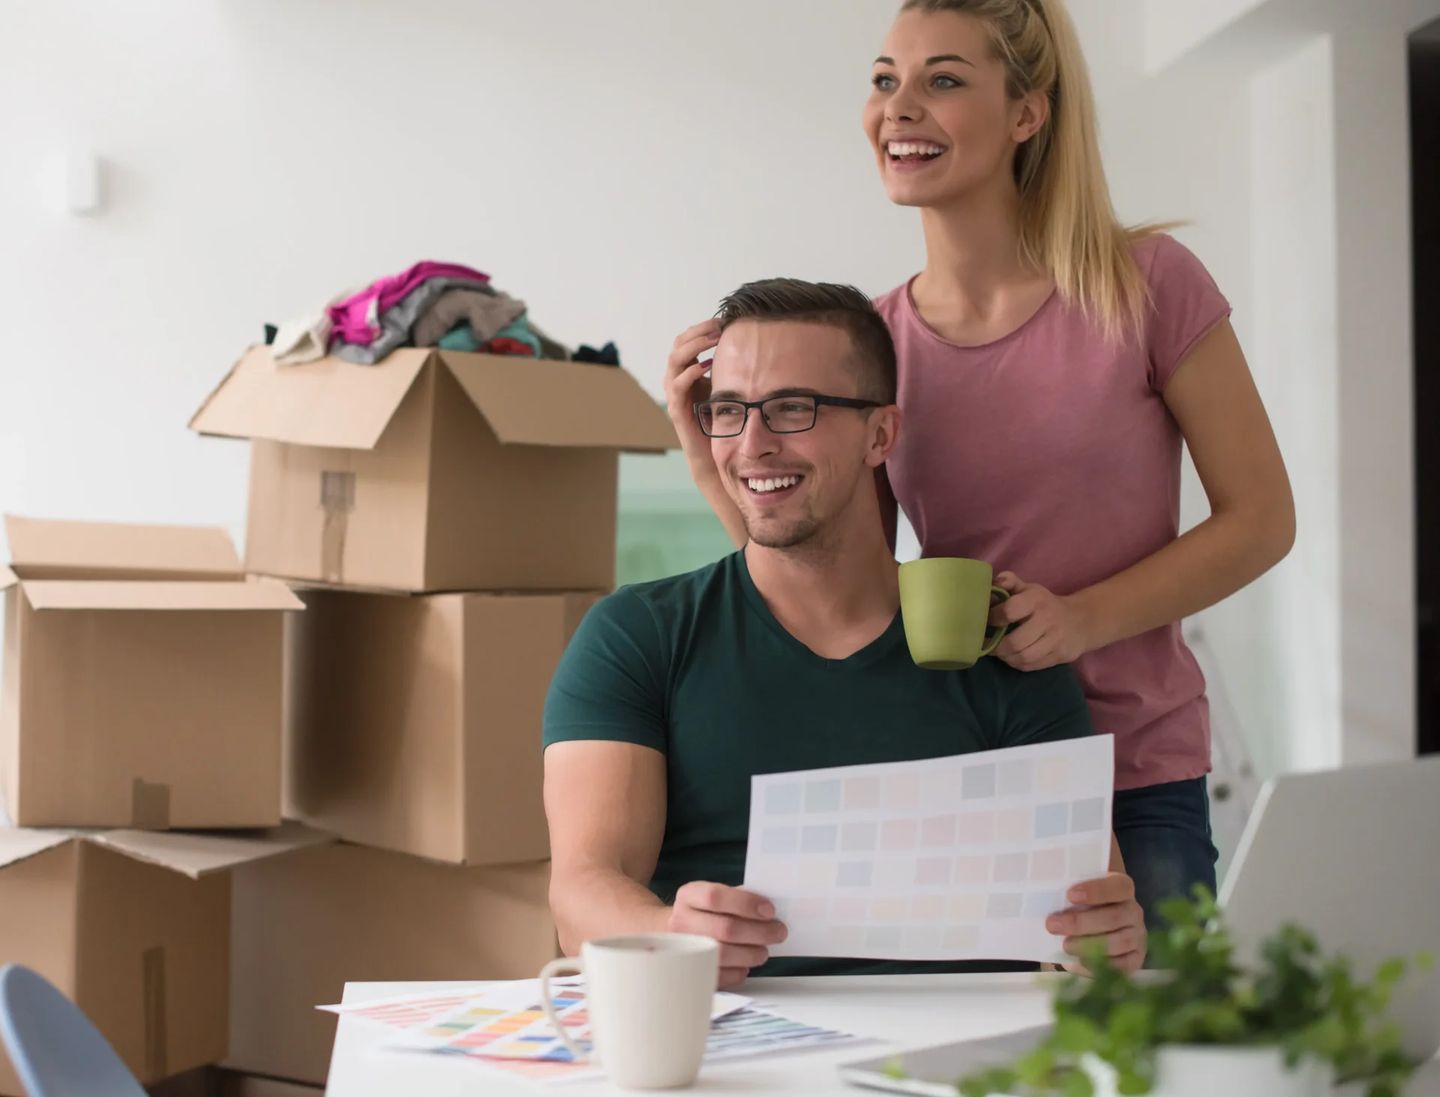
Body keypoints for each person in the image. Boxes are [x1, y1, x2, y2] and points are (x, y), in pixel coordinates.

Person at [664, 0, 1293, 924]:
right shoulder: (873, 344)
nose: (899, 107)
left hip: (1133, 765)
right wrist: (703, 454)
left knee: (1155, 1056)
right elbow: (838, 573)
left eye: (943, 80)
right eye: (886, 82)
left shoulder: (1147, 284)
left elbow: (1261, 519)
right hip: (953, 776)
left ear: (1027, 113)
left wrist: (1081, 620)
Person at [545, 279, 1145, 988]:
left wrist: (1108, 933)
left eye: (793, 408)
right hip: (740, 1041)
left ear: (880, 434)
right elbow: (582, 892)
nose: (753, 444)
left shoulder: (998, 640)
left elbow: (1090, 908)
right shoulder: (637, 635)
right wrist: (670, 933)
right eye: (730, 411)